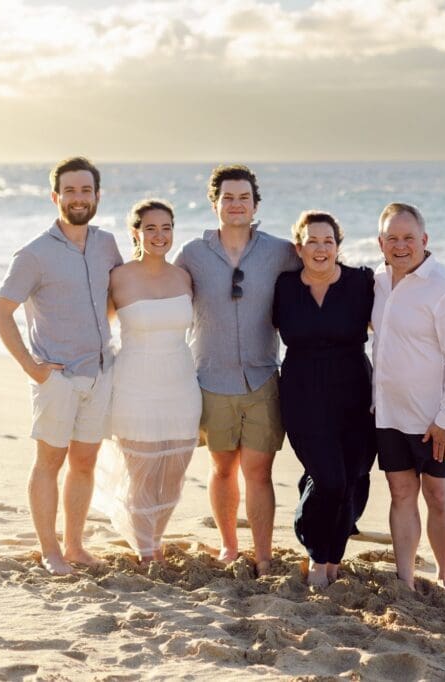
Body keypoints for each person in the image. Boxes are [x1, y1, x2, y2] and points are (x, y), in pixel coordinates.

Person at [0, 156, 122, 575]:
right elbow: (1, 313)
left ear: (97, 196)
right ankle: (50, 550)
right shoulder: (33, 254)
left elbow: (113, 300)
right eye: (70, 191)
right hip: (57, 377)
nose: (78, 198)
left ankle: (76, 545)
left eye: (86, 190)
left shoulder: (106, 244)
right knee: (49, 463)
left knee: (84, 463)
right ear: (55, 197)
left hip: (99, 373)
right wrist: (32, 367)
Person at [173, 164, 300, 574]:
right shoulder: (192, 254)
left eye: (243, 197)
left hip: (263, 378)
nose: (236, 205)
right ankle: (229, 546)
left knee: (259, 471)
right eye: (228, 198)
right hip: (209, 378)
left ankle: (263, 556)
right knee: (222, 467)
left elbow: (322, 271)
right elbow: (161, 291)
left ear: (255, 203)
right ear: (214, 204)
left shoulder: (281, 251)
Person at [371, 202, 445, 600]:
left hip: (437, 418)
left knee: (437, 495)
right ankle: (406, 579)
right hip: (390, 414)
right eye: (392, 239)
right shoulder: (377, 281)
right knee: (400, 494)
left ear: (424, 240)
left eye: (408, 238)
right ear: (380, 243)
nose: (400, 246)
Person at [92, 199, 199, 563]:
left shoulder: (184, 276)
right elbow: (97, 329)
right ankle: (147, 550)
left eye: (166, 227)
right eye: (151, 228)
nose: (159, 235)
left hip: (182, 385)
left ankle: (155, 536)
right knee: (142, 473)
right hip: (135, 385)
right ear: (135, 233)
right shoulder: (119, 277)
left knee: (172, 473)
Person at [273, 211, 376, 587]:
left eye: (328, 241)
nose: (321, 248)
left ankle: (334, 556)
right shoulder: (283, 286)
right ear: (298, 247)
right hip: (302, 393)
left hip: (354, 390)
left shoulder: (362, 283)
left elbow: (400, 324)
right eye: (312, 241)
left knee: (353, 477)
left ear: (338, 246)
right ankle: (317, 553)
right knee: (327, 478)